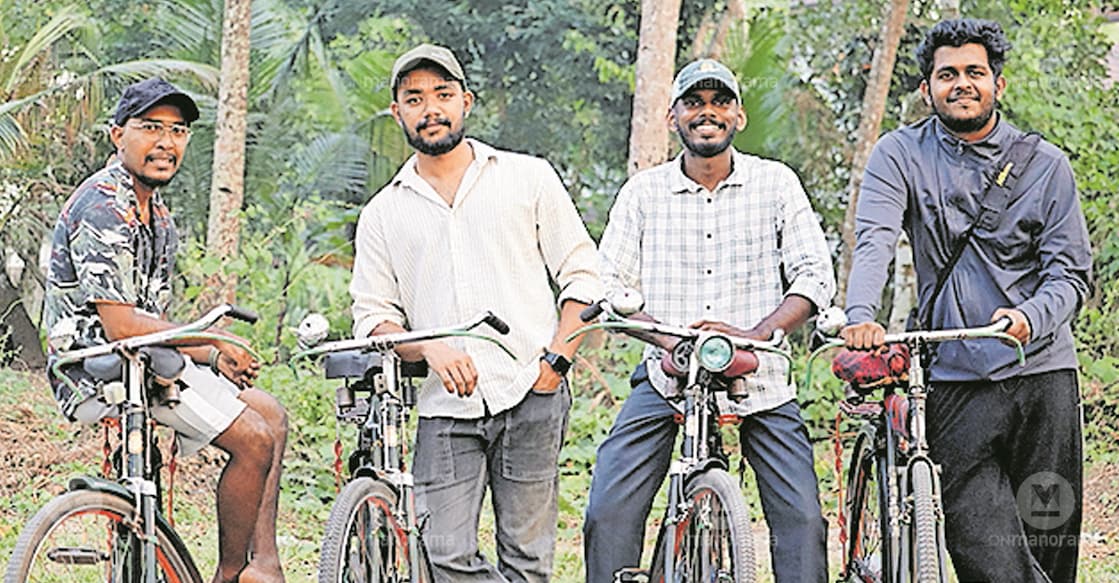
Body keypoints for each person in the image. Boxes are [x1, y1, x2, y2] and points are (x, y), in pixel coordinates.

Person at [841, 19, 1090, 583]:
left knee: (1048, 535)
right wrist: (861, 317)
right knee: (982, 543)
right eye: (946, 74)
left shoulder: (1045, 165)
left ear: (998, 84)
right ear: (927, 89)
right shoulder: (899, 154)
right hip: (953, 379)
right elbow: (874, 239)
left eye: (974, 72)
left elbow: (1071, 275)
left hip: (1042, 373)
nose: (961, 84)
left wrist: (1029, 318)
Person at [349, 44, 601, 582]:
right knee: (440, 554)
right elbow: (373, 317)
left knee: (528, 557)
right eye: (414, 99)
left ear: (466, 101)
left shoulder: (526, 178)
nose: (430, 109)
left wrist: (555, 363)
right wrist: (429, 346)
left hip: (532, 390)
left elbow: (583, 275)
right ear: (397, 113)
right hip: (446, 407)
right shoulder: (383, 213)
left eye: (442, 95)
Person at [584, 58, 834, 583]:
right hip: (668, 373)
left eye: (719, 102)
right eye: (694, 103)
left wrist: (757, 334)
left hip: (760, 376)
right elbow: (609, 287)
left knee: (804, 520)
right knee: (607, 512)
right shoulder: (643, 194)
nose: (707, 113)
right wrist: (665, 340)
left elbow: (814, 274)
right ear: (674, 117)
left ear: (738, 116)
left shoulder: (776, 184)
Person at [42, 78, 288, 583]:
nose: (166, 142)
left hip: (141, 358)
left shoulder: (158, 216)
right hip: (95, 367)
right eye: (150, 128)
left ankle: (263, 567)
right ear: (118, 135)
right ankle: (229, 574)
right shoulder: (104, 204)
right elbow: (122, 323)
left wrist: (209, 355)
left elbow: (153, 325)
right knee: (254, 439)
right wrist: (212, 343)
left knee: (271, 414)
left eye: (178, 131)